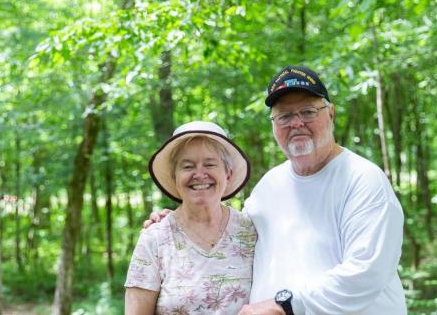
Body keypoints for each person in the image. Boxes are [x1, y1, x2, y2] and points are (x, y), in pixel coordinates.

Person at [146, 66, 407, 315]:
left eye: (308, 112)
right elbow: (229, 238)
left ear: (330, 113)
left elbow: (366, 273)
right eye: (285, 116)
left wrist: (285, 305)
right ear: (274, 124)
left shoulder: (362, 179)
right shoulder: (268, 187)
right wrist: (181, 223)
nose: (296, 123)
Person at [124, 121, 257, 315]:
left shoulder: (252, 231)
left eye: (210, 164)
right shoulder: (155, 239)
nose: (199, 174)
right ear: (174, 177)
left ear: (228, 174)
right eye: (188, 166)